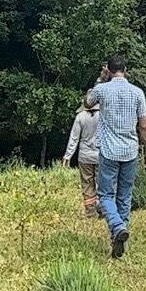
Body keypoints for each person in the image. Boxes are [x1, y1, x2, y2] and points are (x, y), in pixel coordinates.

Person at [87, 55, 146, 258]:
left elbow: (87, 103)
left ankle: (116, 226)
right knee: (125, 196)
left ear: (108, 69)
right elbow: (144, 126)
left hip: (109, 150)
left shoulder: (102, 89)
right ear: (126, 70)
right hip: (130, 151)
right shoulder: (137, 92)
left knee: (105, 195)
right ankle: (119, 236)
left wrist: (100, 79)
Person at [61, 79, 104, 218]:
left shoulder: (80, 117)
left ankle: (90, 211)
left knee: (87, 184)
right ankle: (102, 208)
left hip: (84, 156)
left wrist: (67, 156)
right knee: (102, 183)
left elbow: (74, 138)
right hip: (101, 155)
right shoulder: (103, 116)